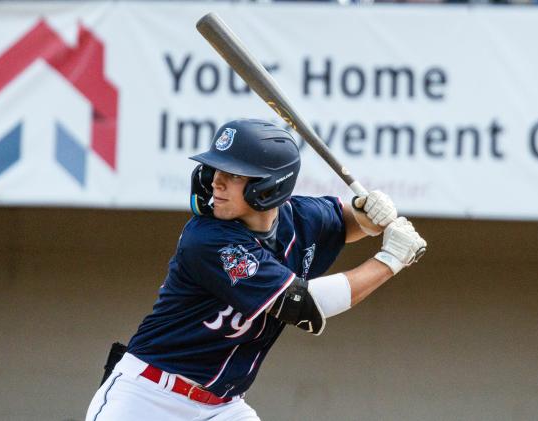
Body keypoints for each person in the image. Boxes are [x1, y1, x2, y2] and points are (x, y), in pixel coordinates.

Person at [85, 119, 426, 421]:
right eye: (215, 170)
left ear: (269, 187)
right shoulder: (207, 238)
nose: (216, 182)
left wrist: (369, 213)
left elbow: (344, 219)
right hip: (148, 397)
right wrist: (389, 261)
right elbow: (304, 306)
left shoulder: (301, 217)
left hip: (222, 407)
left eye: (232, 174)